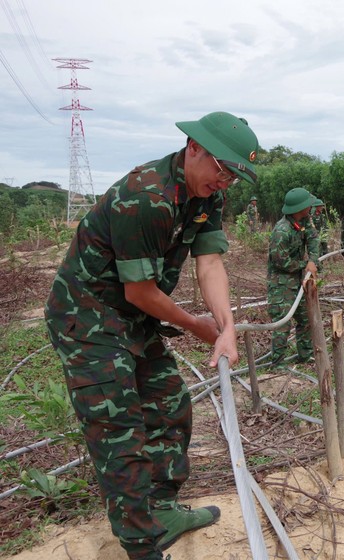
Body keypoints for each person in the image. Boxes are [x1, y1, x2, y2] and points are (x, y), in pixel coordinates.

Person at [43, 111, 258, 560]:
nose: (224, 183)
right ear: (194, 148)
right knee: (119, 432)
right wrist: (198, 326)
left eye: (233, 178)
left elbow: (210, 264)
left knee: (169, 405)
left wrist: (228, 328)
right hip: (89, 320)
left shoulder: (205, 194)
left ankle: (163, 511)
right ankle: (142, 546)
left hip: (134, 317)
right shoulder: (145, 197)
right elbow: (139, 290)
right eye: (222, 170)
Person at [268, 188, 320, 363]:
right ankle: (278, 362)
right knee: (282, 323)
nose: (311, 207)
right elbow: (280, 262)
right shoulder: (281, 231)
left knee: (305, 319)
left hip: (299, 279)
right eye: (308, 205)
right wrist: (305, 264)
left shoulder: (305, 220)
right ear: (299, 208)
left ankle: (305, 356)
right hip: (281, 284)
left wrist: (313, 260)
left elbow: (313, 239)